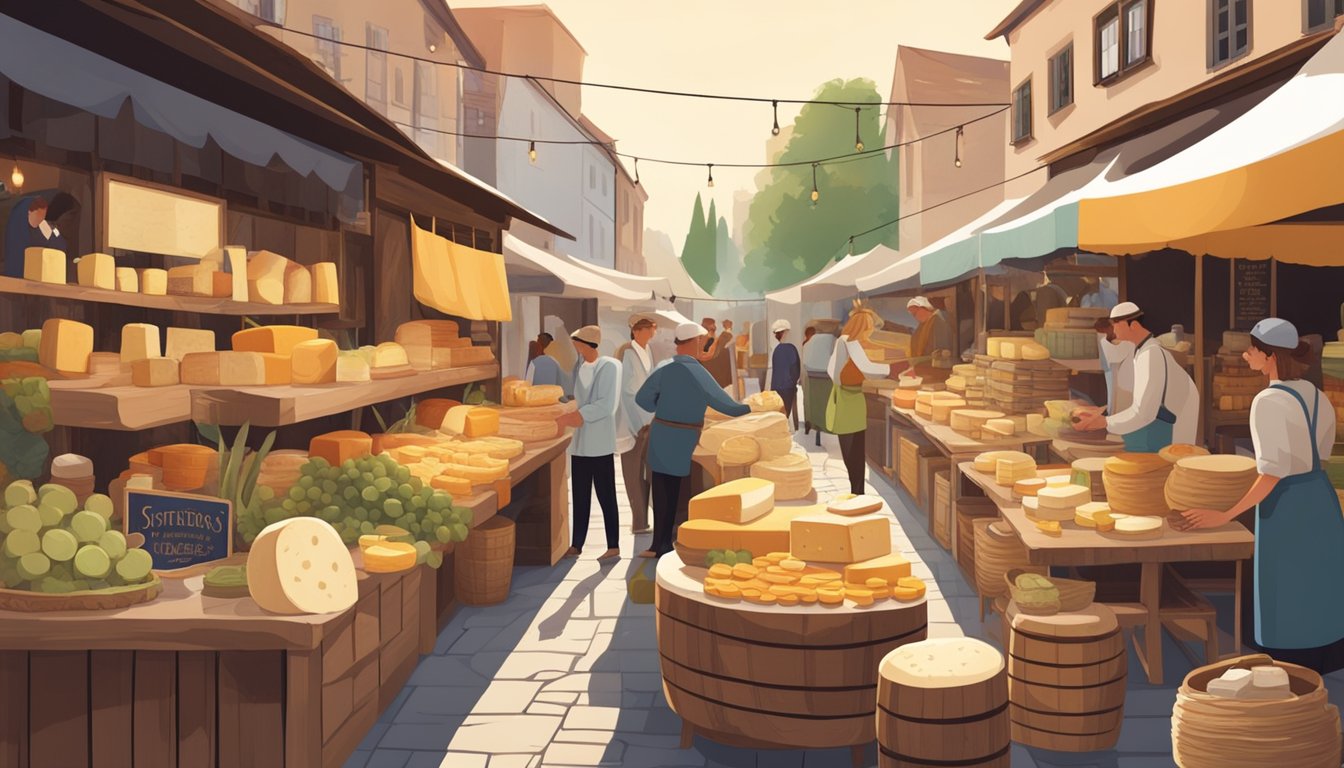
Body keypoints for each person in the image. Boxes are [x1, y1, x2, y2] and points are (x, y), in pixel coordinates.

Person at [1177, 319, 1344, 674]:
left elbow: (1271, 473)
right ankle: (1321, 669)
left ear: (1270, 357)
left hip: (1286, 506)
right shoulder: (1316, 396)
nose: (1246, 354)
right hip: (1320, 497)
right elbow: (1322, 455)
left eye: (1252, 349)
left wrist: (1224, 514)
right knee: (1318, 586)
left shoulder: (1267, 401)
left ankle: (1288, 677)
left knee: (1286, 590)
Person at [636, 322, 750, 557]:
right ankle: (678, 542)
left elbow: (642, 399)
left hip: (660, 434)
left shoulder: (664, 369)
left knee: (660, 490)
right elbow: (726, 405)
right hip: (683, 437)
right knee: (679, 492)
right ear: (696, 341)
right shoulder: (698, 372)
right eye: (702, 340)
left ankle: (658, 544)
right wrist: (751, 408)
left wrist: (665, 406)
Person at [1074, 302, 1198, 451]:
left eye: (1116, 324)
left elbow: (1144, 413)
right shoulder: (1141, 351)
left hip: (1175, 421)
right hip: (1162, 417)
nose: (1113, 330)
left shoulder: (1151, 354)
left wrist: (1104, 422)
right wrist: (1103, 414)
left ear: (1133, 325)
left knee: (1174, 460)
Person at [560, 326, 622, 562]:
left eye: (577, 343)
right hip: (580, 442)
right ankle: (577, 543)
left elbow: (606, 405)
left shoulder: (609, 367)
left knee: (606, 494)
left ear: (587, 344)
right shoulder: (579, 367)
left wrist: (575, 416)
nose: (575, 347)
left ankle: (613, 545)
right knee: (580, 494)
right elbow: (580, 399)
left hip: (599, 442)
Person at [827, 304, 895, 495]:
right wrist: (892, 370)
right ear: (863, 327)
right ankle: (857, 491)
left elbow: (832, 371)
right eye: (870, 328)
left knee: (852, 447)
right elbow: (868, 368)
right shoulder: (851, 343)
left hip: (846, 397)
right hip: (850, 399)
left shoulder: (842, 341)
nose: (871, 332)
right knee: (854, 449)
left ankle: (857, 489)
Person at [615, 315, 657, 534]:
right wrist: (639, 423)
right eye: (650, 328)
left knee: (649, 472)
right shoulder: (628, 355)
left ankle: (645, 519)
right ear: (638, 331)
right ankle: (638, 522)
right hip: (632, 425)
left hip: (649, 421)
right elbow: (626, 393)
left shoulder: (647, 351)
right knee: (633, 473)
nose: (654, 332)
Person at [802, 322, 837, 445]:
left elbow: (805, 361)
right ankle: (826, 430)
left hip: (811, 378)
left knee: (813, 405)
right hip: (828, 378)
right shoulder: (834, 341)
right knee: (826, 406)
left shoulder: (810, 342)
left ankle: (813, 428)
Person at [768, 319, 801, 427]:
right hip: (788, 386)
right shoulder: (791, 348)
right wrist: (793, 381)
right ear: (785, 332)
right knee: (785, 413)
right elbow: (795, 369)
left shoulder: (776, 349)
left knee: (778, 413)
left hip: (776, 386)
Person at [907, 296, 953, 364]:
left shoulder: (938, 319)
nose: (915, 316)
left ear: (924, 308)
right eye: (913, 314)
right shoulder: (921, 327)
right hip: (923, 364)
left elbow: (942, 347)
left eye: (916, 312)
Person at [702, 318, 735, 391]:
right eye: (712, 328)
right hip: (715, 384)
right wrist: (728, 329)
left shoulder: (712, 343)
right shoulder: (707, 344)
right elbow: (718, 347)